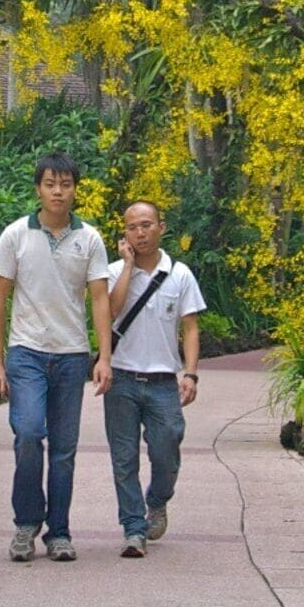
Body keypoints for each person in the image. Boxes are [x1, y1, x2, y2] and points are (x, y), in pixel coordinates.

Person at [0, 156, 107, 563]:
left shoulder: (89, 238)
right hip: (26, 354)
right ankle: (25, 523)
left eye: (66, 184)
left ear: (76, 189)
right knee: (28, 433)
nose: (59, 191)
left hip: (72, 356)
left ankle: (59, 532)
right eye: (51, 183)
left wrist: (103, 356)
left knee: (64, 450)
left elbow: (100, 299)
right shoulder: (15, 235)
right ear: (38, 188)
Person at [90, 197, 204, 557]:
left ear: (161, 227)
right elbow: (109, 311)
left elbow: (191, 327)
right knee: (123, 458)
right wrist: (126, 267)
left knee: (167, 445)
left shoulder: (180, 273)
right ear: (124, 233)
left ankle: (157, 499)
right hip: (121, 378)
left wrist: (191, 374)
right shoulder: (111, 271)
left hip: (162, 382)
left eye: (146, 225)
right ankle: (133, 529)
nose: (139, 233)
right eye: (132, 227)